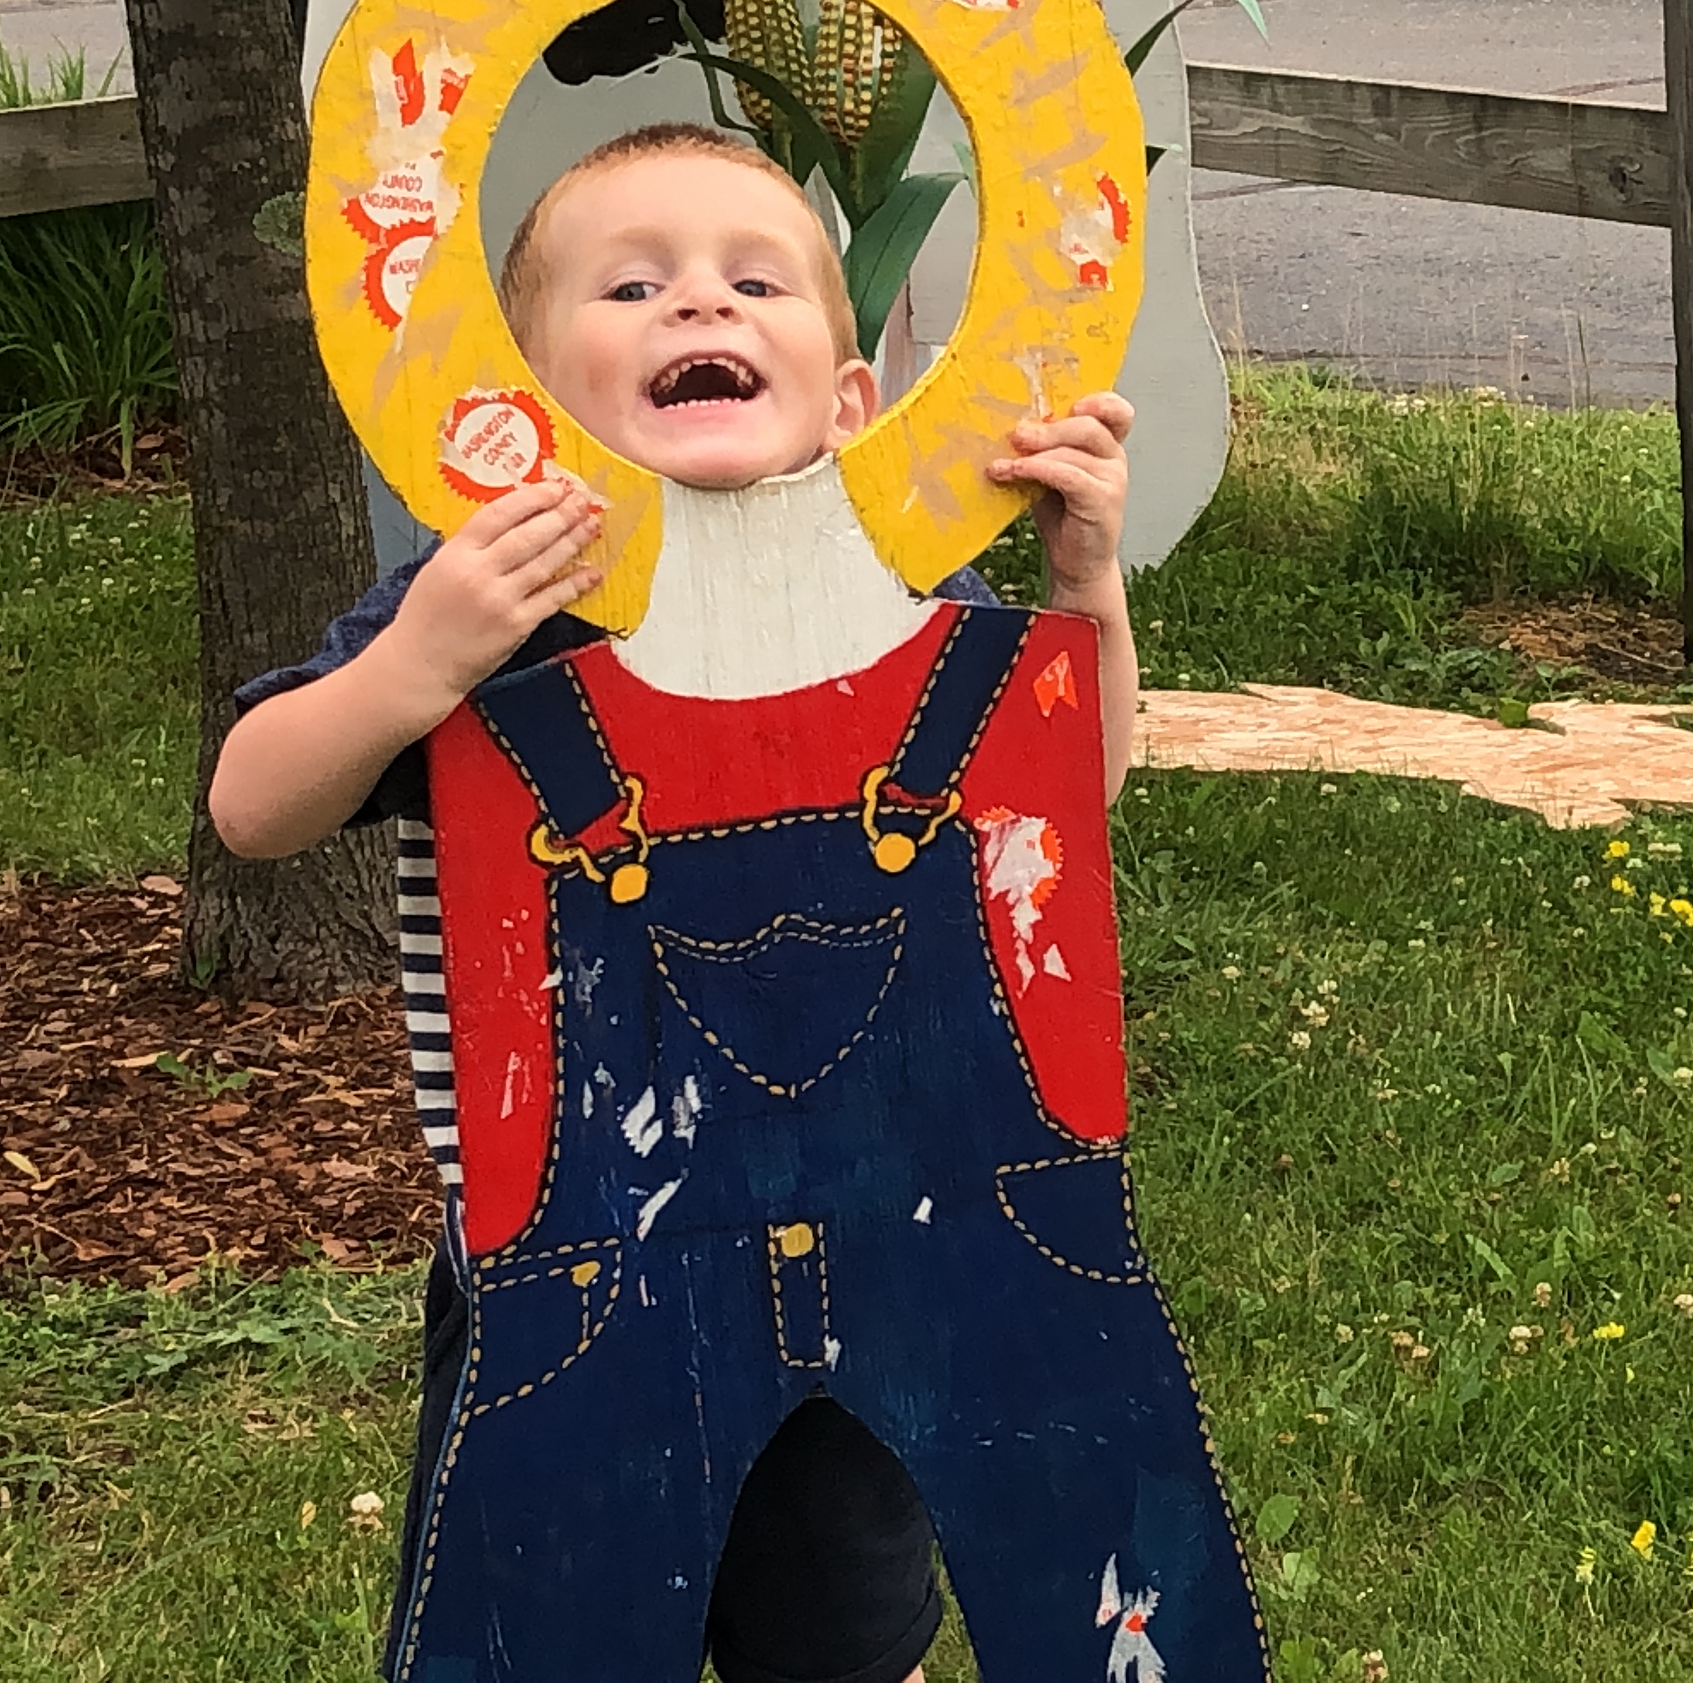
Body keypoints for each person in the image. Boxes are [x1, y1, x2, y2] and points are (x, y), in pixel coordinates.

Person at [211, 123, 1184, 1683]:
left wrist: (1086, 594)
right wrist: (419, 664)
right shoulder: (494, 606)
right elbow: (254, 805)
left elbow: (1074, 794)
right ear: (517, 408)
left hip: (883, 1248)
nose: (699, 310)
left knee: (842, 1638)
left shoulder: (909, 589)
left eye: (754, 281)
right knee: (551, 1624)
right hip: (574, 1281)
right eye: (634, 286)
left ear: (854, 398)